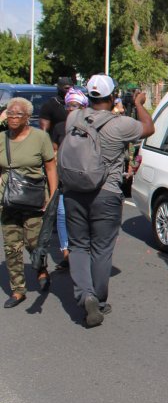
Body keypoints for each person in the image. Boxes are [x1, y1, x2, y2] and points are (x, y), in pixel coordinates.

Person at [63, 75, 154, 327]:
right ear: (113, 97)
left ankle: (85, 294)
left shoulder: (73, 118)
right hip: (106, 192)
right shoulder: (120, 124)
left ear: (89, 96)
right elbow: (149, 128)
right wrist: (139, 104)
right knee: (102, 248)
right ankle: (99, 300)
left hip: (73, 191)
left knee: (79, 245)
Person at [0, 97, 58, 308]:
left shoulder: (40, 137)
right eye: (10, 113)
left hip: (34, 200)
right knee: (11, 247)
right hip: (7, 201)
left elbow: (50, 168)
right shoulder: (1, 138)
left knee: (34, 243)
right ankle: (18, 290)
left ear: (27, 118)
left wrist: (52, 197)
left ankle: (41, 268)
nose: (13, 118)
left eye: (18, 114)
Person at [49, 88, 89, 271]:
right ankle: (66, 253)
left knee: (84, 218)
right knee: (62, 214)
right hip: (63, 180)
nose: (72, 108)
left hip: (84, 180)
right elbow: (53, 153)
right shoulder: (59, 128)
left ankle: (83, 252)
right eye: (69, 105)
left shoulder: (90, 127)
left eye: (76, 105)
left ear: (84, 107)